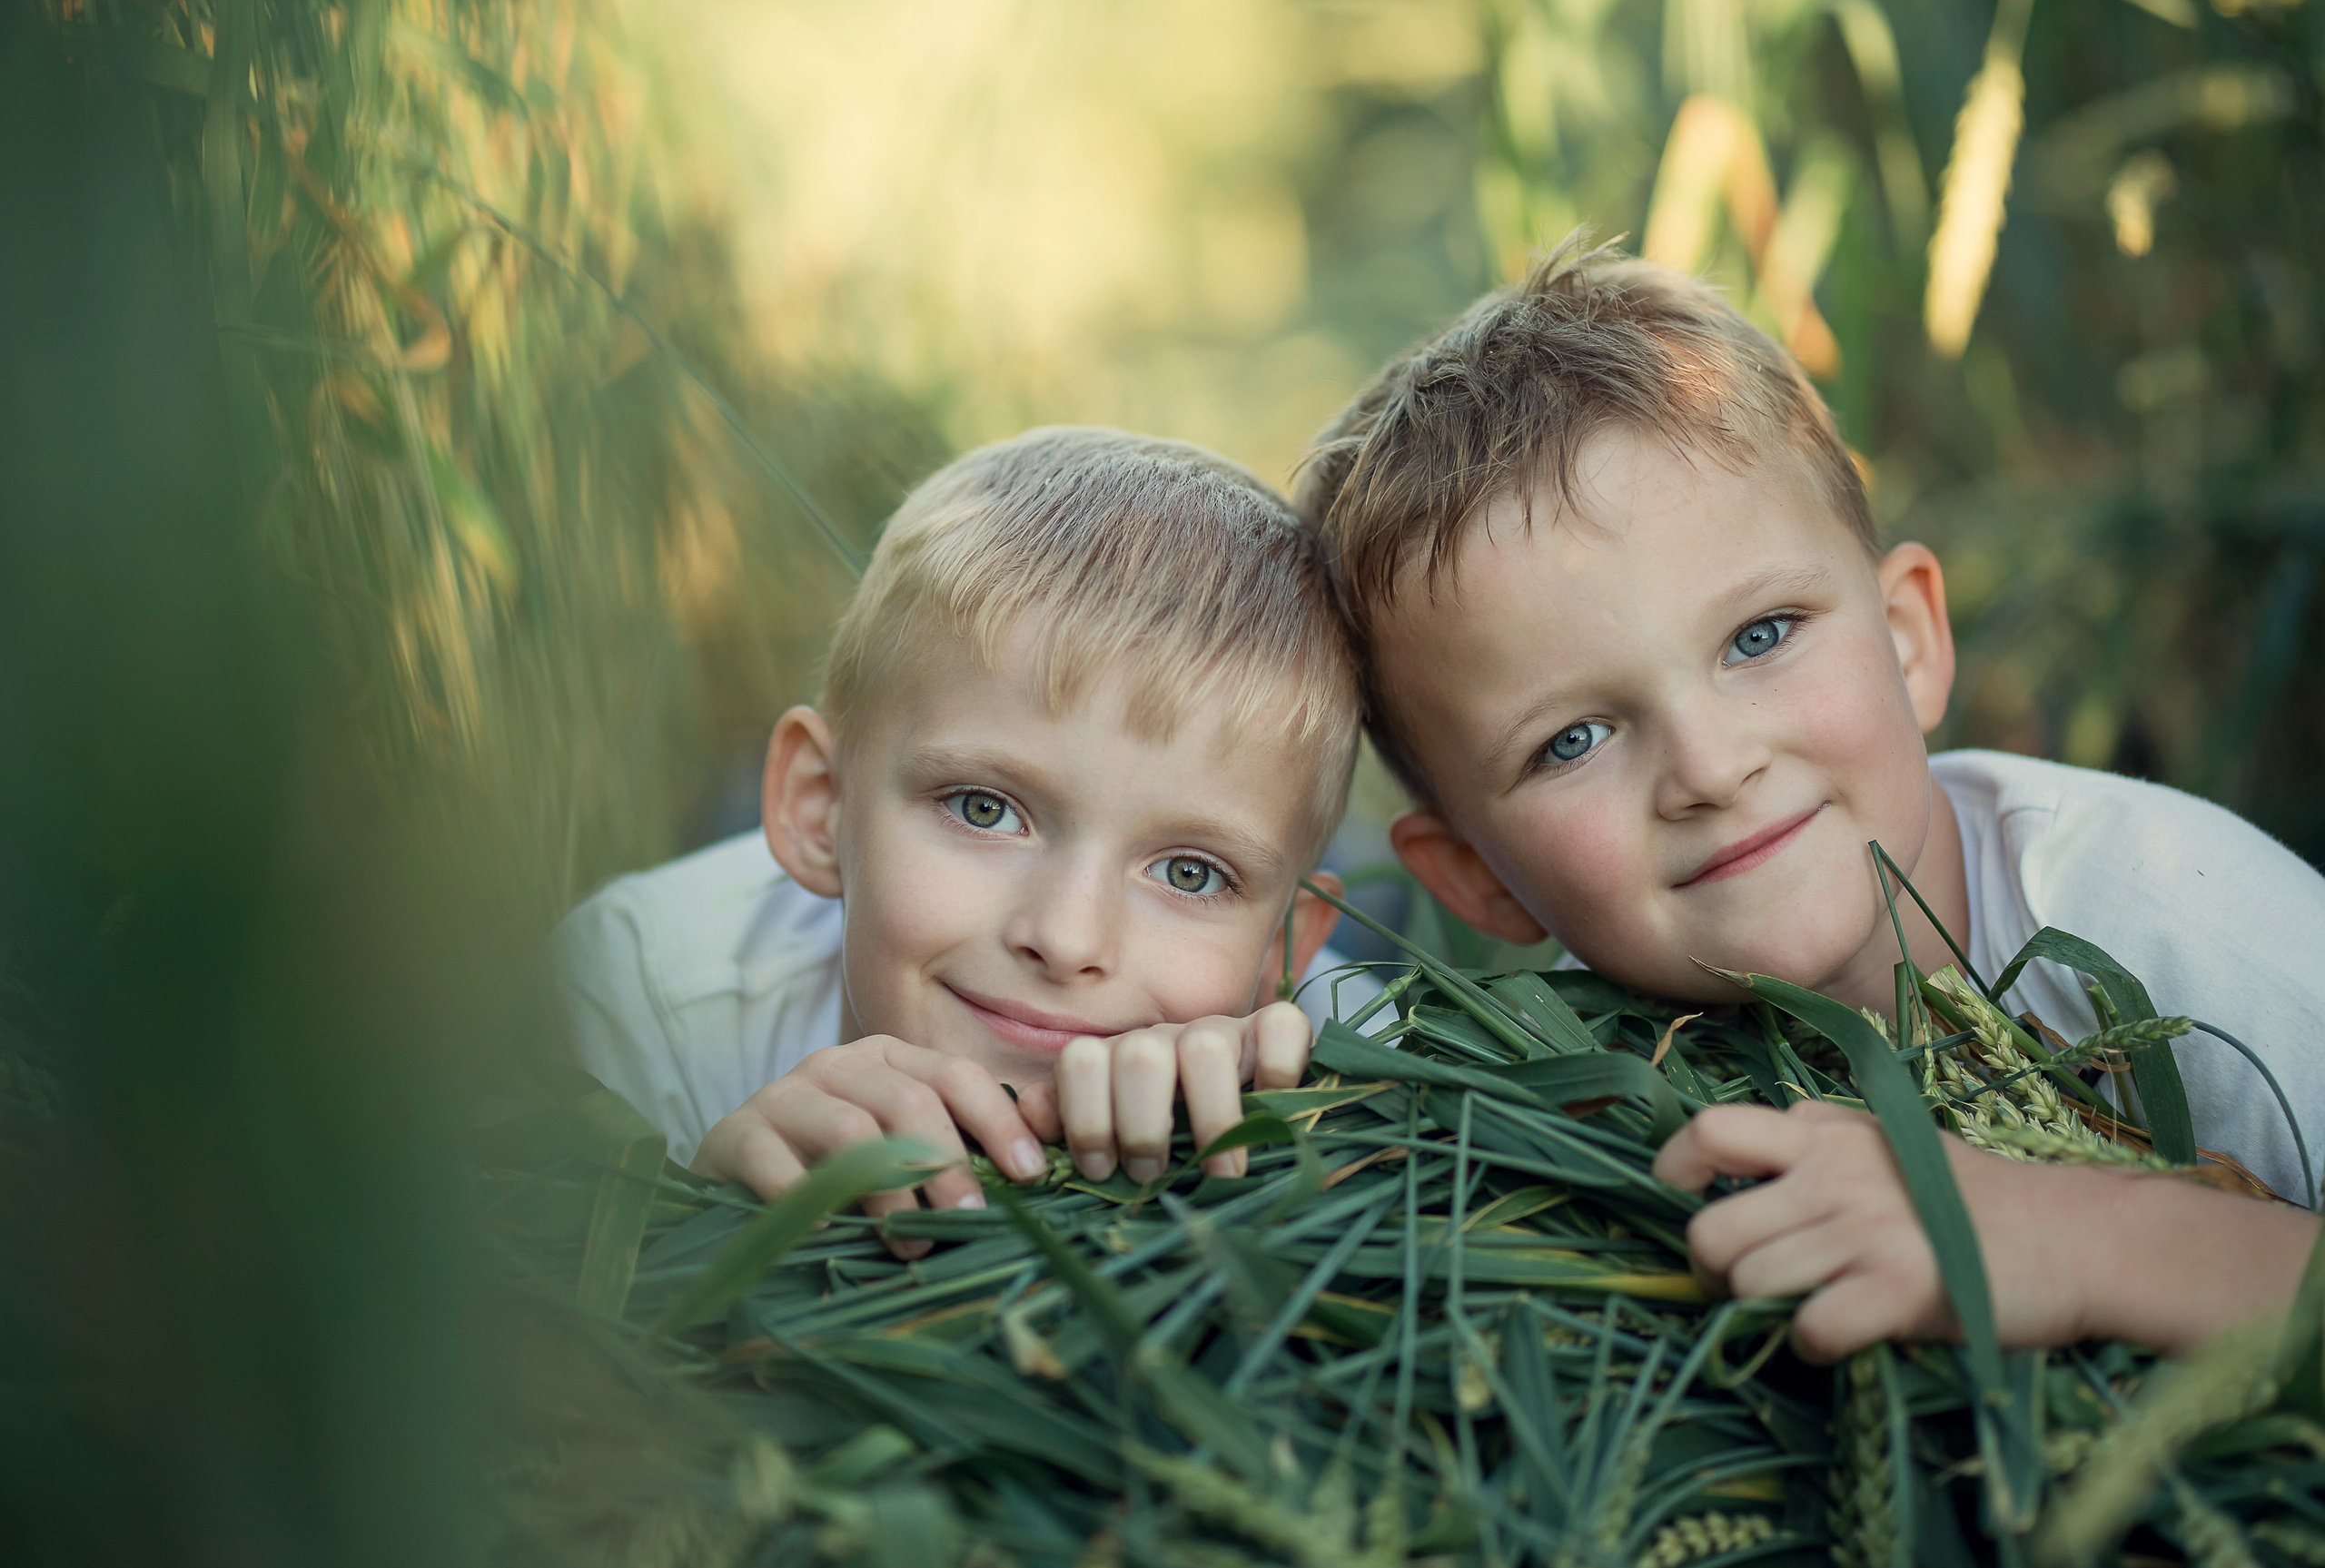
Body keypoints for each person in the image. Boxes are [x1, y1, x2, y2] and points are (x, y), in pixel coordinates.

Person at [1295, 237, 2325, 1359]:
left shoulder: (2164, 912)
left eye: (1759, 635)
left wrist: (2077, 1234)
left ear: (1910, 640)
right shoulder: (1577, 1059)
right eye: (1573, 739)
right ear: (1474, 877)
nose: (1710, 765)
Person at [555, 427, 1370, 1252]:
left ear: (1285, 948)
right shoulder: (628, 1007)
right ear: (819, 806)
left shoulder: (1359, 1066)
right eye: (985, 809)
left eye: (1191, 872)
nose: (1065, 937)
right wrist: (690, 1221)